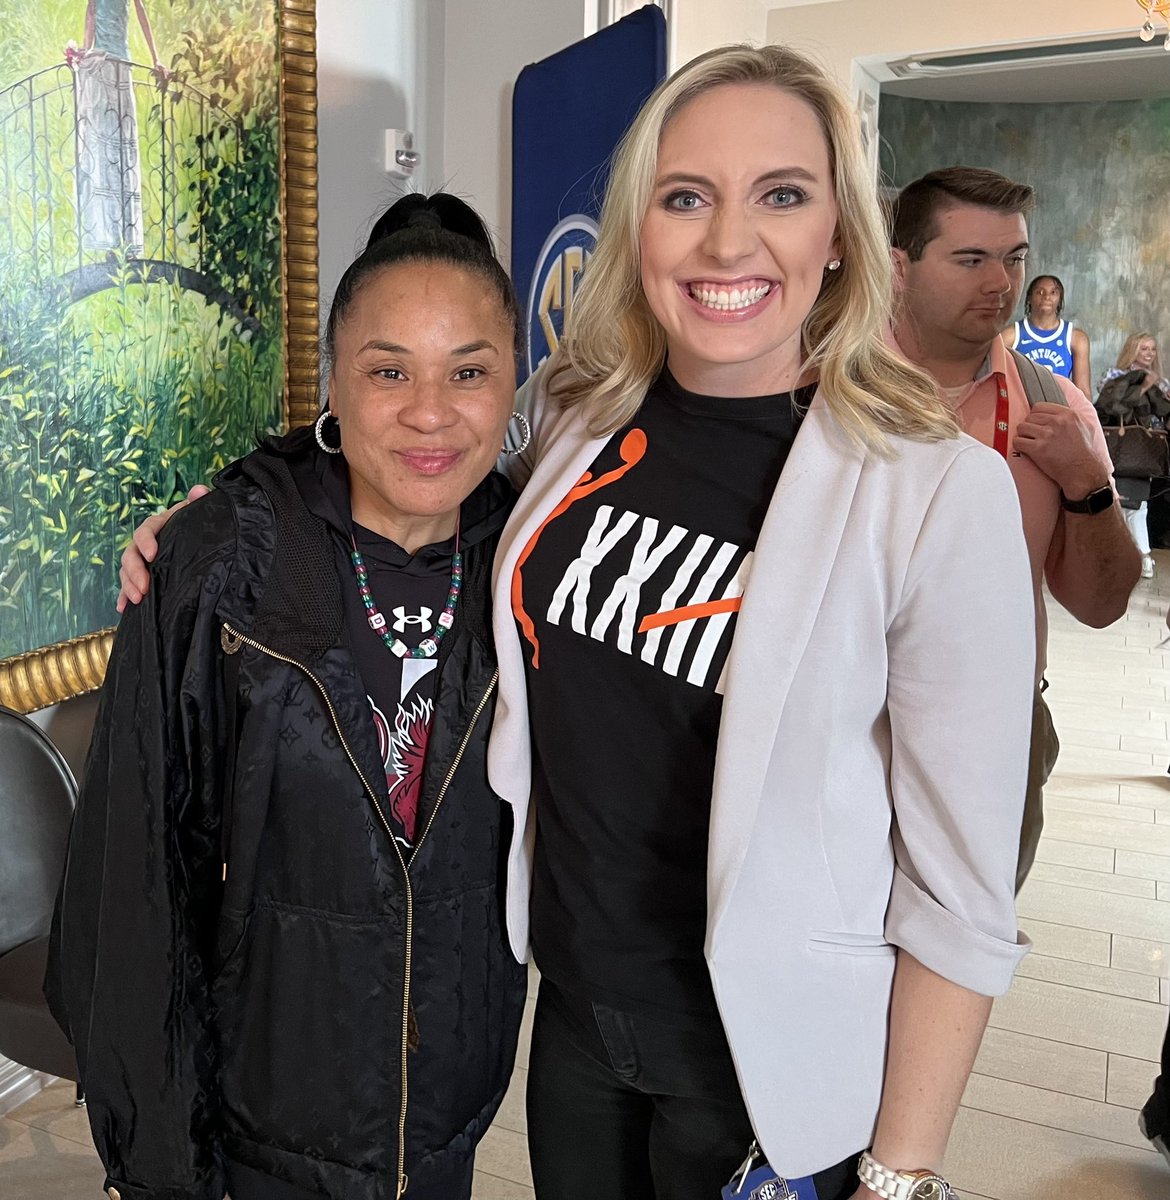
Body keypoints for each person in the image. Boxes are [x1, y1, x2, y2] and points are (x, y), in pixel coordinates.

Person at [119, 46, 1036, 1200]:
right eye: (686, 196)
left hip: (765, 1067)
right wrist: (226, 515)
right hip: (575, 1029)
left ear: (842, 232)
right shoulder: (576, 418)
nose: (726, 243)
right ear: (639, 227)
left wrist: (902, 1175)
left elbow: (961, 892)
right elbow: (407, 445)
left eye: (783, 196)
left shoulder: (934, 492)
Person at [47, 193, 529, 1200]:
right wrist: (156, 1153)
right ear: (334, 385)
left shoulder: (540, 556)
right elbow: (138, 883)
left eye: (468, 372)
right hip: (260, 1121)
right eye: (389, 370)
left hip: (448, 1104)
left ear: (513, 381)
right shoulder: (225, 566)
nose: (431, 413)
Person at [889, 167, 1140, 891]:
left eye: (1016, 257)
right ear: (901, 268)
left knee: (966, 940)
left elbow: (1101, 605)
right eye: (971, 259)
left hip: (997, 726)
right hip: (847, 716)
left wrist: (1086, 483)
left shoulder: (1052, 406)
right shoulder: (827, 391)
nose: (1001, 281)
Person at [72, 0, 168, 255]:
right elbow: (92, 12)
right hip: (103, 65)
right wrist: (85, 49)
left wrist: (156, 59)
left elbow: (140, 11)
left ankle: (125, 238)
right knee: (104, 148)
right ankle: (108, 238)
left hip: (120, 66)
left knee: (122, 149)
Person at [1096, 333, 1170, 579]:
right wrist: (1146, 385)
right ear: (1132, 350)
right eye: (1143, 348)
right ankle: (1136, 556)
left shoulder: (1164, 383)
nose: (1148, 353)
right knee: (1121, 503)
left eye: (1152, 349)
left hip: (1144, 451)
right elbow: (1112, 405)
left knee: (1138, 505)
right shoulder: (1113, 376)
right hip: (1119, 446)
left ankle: (1140, 556)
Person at [1001, 274, 1092, 396]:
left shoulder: (1076, 338)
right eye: (1040, 292)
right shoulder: (1010, 336)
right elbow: (998, 382)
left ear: (1060, 299)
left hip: (1059, 407)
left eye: (1053, 292)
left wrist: (1085, 415)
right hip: (1023, 407)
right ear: (1029, 298)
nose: (1047, 297)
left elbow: (1083, 390)